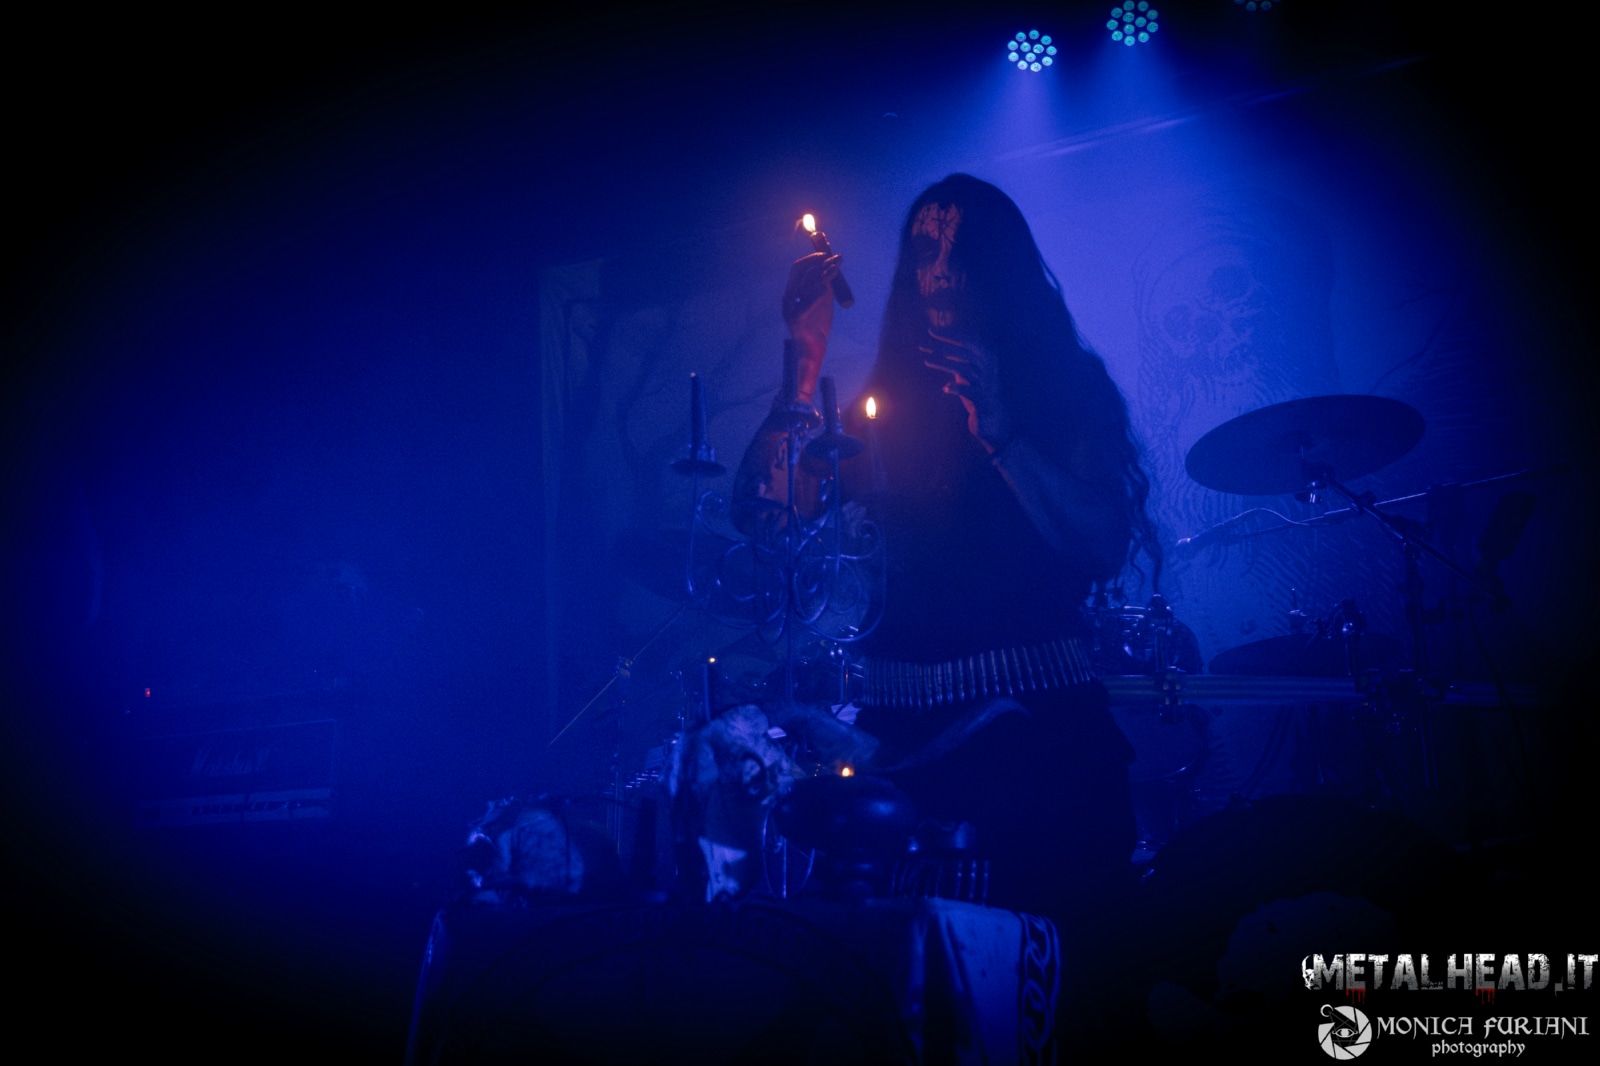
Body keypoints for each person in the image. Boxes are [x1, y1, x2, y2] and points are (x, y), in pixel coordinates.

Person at [734, 174, 1161, 945]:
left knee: (1057, 966)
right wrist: (804, 353)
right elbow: (774, 527)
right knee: (911, 971)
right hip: (898, 747)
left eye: (957, 252)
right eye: (923, 252)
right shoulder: (883, 408)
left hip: (1040, 743)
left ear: (998, 266)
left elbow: (1100, 543)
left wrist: (999, 427)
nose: (938, 273)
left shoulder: (1063, 388)